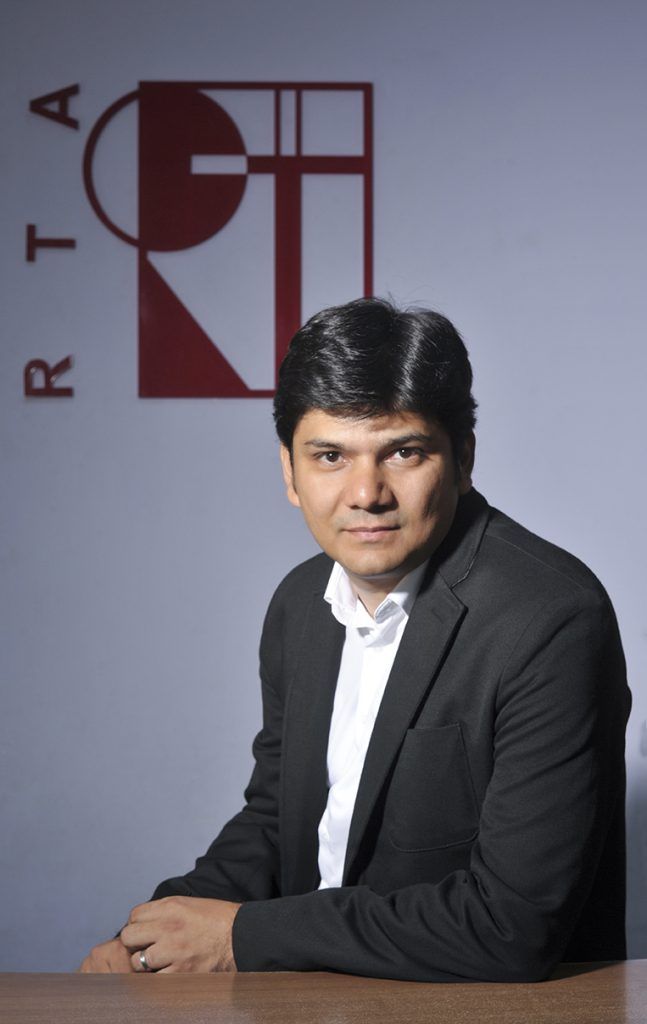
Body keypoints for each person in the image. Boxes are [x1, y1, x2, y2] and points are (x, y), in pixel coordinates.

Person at [80, 297, 630, 981]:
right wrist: (145, 939)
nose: (366, 493)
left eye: (402, 452)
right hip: (315, 999)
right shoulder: (300, 604)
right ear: (290, 472)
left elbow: (512, 926)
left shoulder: (550, 617)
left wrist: (242, 937)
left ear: (462, 459)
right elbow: (275, 821)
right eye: (330, 456)